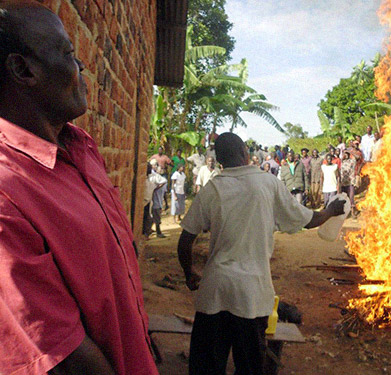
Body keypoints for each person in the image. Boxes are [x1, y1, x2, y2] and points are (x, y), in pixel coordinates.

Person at [0, 2, 158, 374]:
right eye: (69, 53)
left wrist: (140, 338)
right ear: (24, 70)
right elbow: (63, 355)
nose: (81, 67)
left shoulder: (81, 148)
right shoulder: (7, 190)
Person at [176, 132, 346, 375]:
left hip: (214, 292)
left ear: (220, 159)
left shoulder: (213, 188)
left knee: (206, 368)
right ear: (246, 152)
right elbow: (308, 220)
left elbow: (185, 241)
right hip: (252, 294)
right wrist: (330, 210)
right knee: (249, 367)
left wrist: (189, 273)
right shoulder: (268, 183)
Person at [340, 150, 356, 215]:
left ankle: (353, 212)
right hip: (343, 182)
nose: (346, 155)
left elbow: (357, 158)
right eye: (345, 154)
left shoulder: (352, 161)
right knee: (344, 198)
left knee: (351, 197)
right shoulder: (342, 162)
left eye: (347, 154)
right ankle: (346, 212)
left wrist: (351, 152)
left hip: (350, 182)